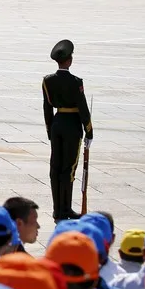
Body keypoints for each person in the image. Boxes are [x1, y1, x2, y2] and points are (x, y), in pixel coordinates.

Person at [42, 39, 93, 222]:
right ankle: (66, 209)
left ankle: (58, 210)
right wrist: (89, 130)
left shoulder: (47, 81)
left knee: (55, 168)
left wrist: (50, 130)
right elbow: (82, 107)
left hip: (57, 124)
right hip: (72, 125)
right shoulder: (75, 81)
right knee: (68, 170)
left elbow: (47, 108)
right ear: (69, 60)